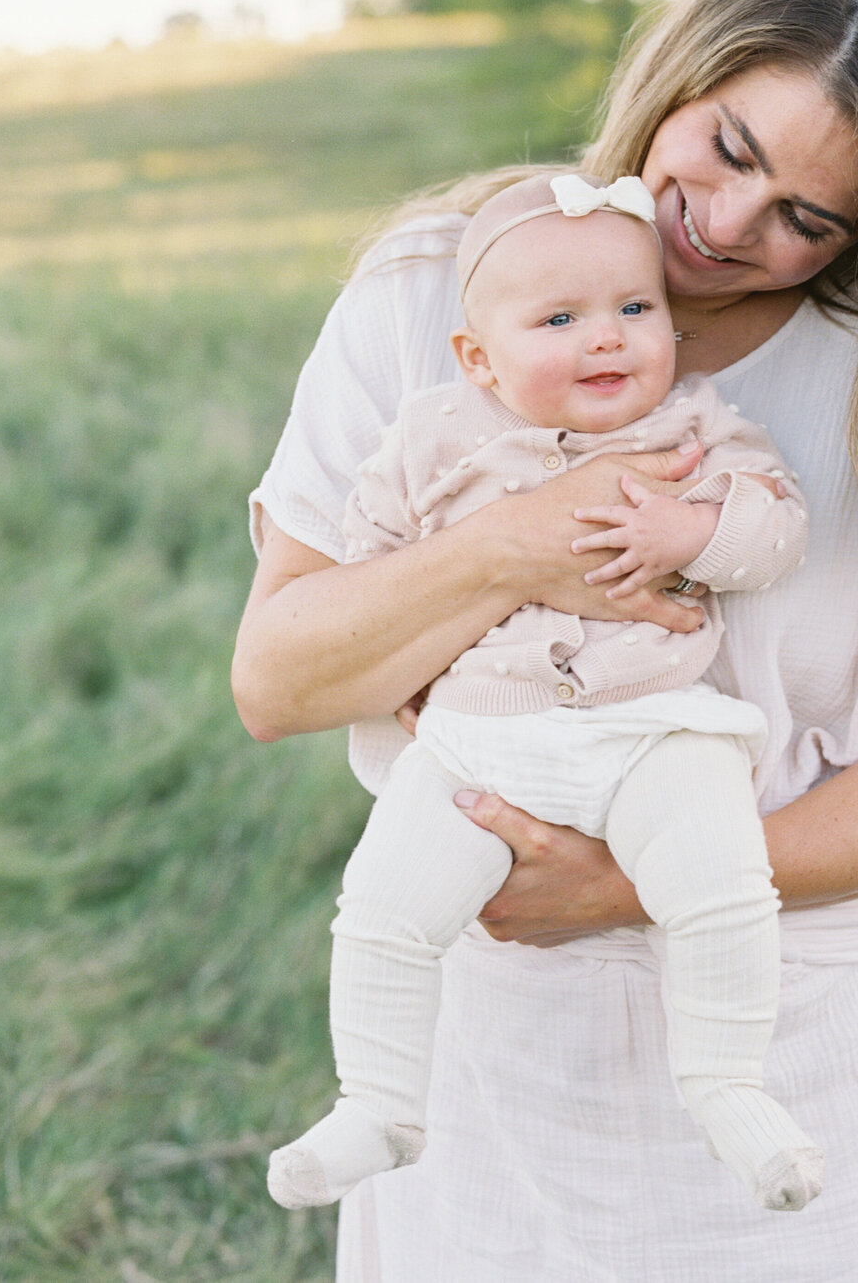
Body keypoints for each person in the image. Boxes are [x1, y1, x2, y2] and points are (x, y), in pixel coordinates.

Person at [233, 0, 858, 1282]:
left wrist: (629, 887)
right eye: (730, 151)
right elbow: (279, 682)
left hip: (803, 1053)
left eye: (810, 219)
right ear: (685, 71)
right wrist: (517, 544)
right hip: (499, 1050)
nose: (729, 227)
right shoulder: (435, 293)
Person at [267, 170, 824, 1215]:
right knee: (385, 908)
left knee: (719, 884)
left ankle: (727, 1084)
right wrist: (414, 657)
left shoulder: (694, 428)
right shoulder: (431, 438)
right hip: (482, 738)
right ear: (478, 356)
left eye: (633, 309)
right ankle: (377, 1102)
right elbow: (368, 570)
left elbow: (776, 526)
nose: (605, 338)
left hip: (655, 727)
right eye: (560, 318)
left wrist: (694, 532)